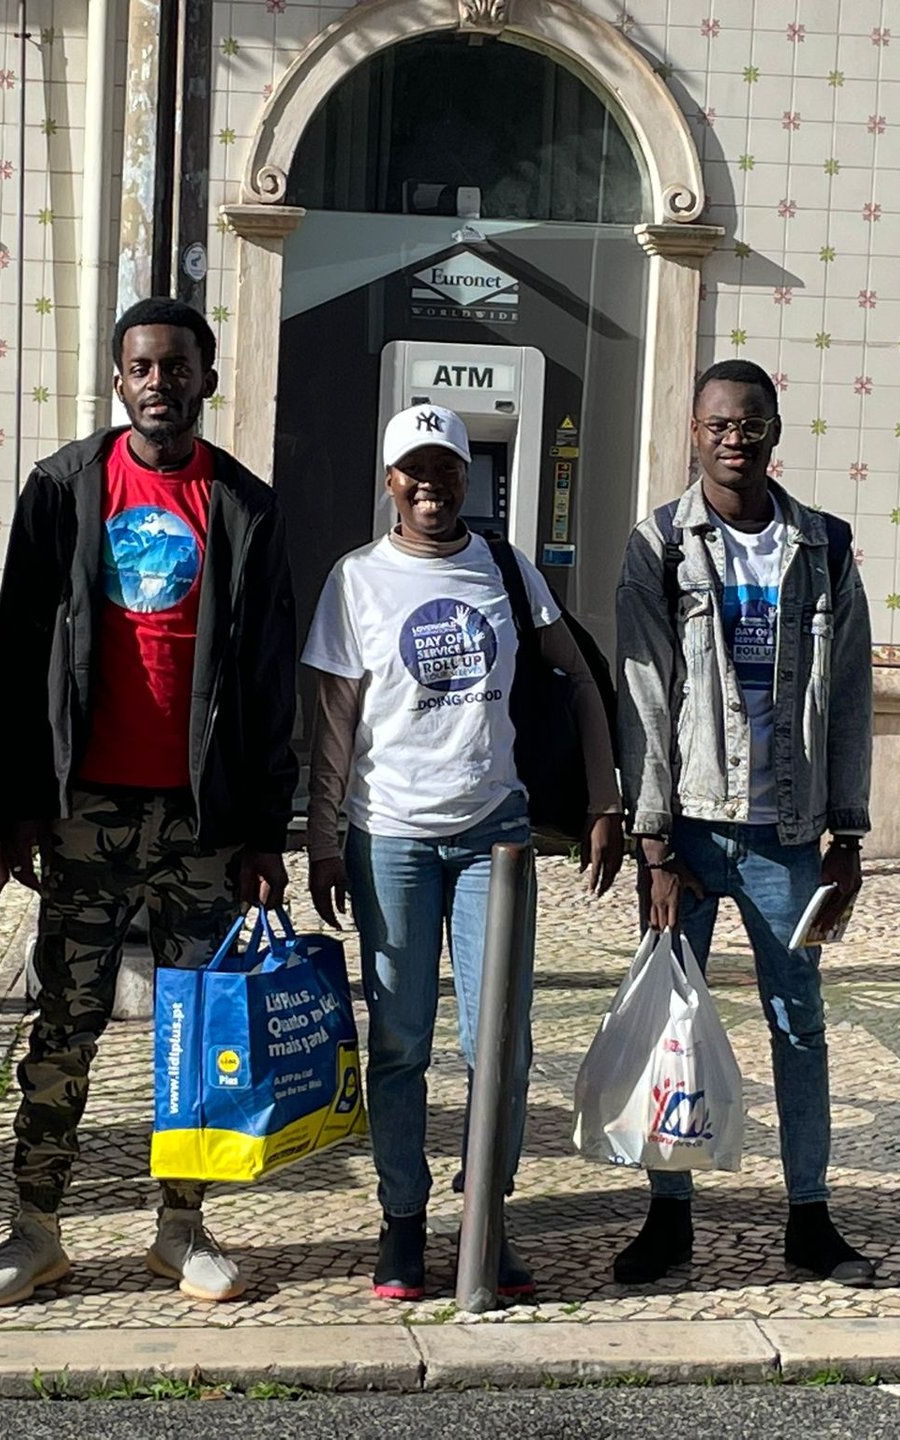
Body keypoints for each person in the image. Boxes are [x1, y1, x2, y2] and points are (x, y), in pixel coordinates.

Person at [0, 298, 297, 1308]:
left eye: (177, 366)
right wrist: (13, 809)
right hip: (86, 809)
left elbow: (270, 680)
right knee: (64, 1022)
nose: (160, 383)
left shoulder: (245, 508)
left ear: (206, 380)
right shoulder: (63, 490)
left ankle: (182, 1228)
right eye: (143, 367)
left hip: (203, 818)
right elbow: (18, 657)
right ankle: (34, 1229)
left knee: (195, 1029)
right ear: (119, 381)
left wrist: (264, 830)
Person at [304, 403, 624, 1301]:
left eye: (446, 467)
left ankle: (488, 1214)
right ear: (390, 482)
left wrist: (603, 801)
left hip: (497, 839)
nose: (431, 485)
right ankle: (402, 1222)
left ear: (466, 475)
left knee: (501, 1043)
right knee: (400, 1040)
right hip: (390, 836)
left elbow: (582, 682)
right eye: (415, 470)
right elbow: (334, 727)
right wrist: (324, 841)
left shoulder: (508, 569)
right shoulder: (356, 580)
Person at [612, 358, 877, 1288]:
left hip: (788, 834)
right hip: (688, 826)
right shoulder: (659, 546)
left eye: (751, 423)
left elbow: (851, 695)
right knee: (669, 1022)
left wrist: (848, 834)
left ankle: (810, 1215)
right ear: (695, 433)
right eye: (720, 424)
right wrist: (653, 843)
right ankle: (668, 1215)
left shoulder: (823, 546)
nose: (736, 439)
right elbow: (645, 696)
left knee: (798, 1024)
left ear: (774, 432)